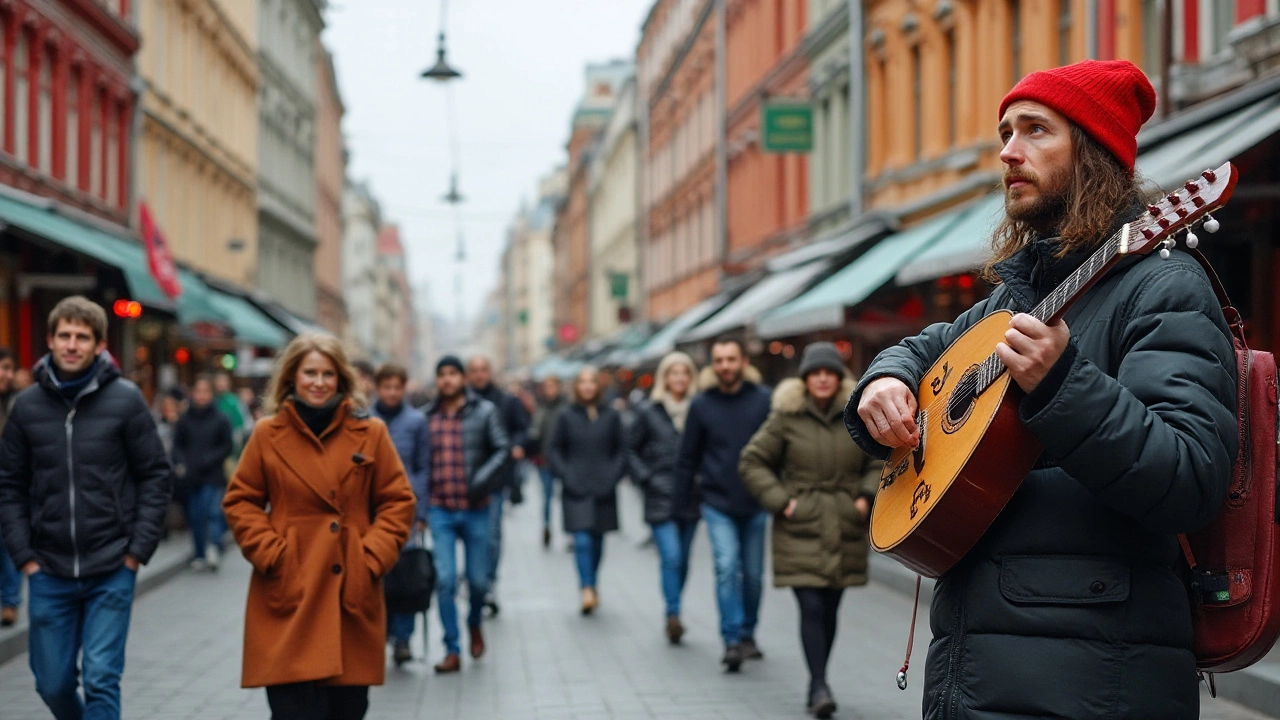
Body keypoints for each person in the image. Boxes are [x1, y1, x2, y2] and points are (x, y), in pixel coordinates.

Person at [846, 60, 1238, 719]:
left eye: (1035, 130)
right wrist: (884, 380)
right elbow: (926, 348)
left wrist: (1064, 384)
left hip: (1095, 680)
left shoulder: (1165, 288)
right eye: (1005, 131)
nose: (1008, 151)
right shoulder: (1019, 293)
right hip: (977, 673)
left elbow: (1190, 478)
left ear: (1093, 152)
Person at [222, 333, 415, 720]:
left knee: (348, 711)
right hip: (289, 591)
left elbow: (398, 502)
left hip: (349, 595)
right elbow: (241, 501)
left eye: (328, 373)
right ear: (292, 377)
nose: (318, 382)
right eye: (310, 372)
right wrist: (274, 555)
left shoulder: (371, 432)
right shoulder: (267, 434)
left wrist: (369, 557)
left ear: (341, 379)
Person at [0, 297, 172, 720]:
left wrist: (137, 552)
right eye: (65, 336)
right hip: (48, 570)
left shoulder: (126, 400)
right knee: (52, 683)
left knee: (100, 679)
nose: (72, 344)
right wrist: (25, 558)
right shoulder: (26, 407)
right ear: (50, 341)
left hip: (111, 566)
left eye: (82, 337)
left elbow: (155, 474)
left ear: (99, 344)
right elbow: (9, 485)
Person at [740, 343, 882, 718]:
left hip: (844, 521)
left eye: (829, 372)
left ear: (839, 378)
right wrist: (781, 501)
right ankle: (818, 683)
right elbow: (752, 461)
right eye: (815, 372)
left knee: (831, 606)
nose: (822, 378)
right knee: (811, 605)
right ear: (804, 379)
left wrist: (865, 498)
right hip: (800, 524)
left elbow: (879, 460)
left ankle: (820, 678)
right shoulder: (785, 417)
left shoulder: (856, 415)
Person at [672, 338, 771, 672]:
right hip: (717, 503)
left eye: (731, 358)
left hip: (756, 502)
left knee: (754, 576)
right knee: (727, 567)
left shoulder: (764, 400)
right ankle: (730, 639)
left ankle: (748, 633)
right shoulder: (701, 405)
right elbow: (687, 458)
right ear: (712, 365)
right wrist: (679, 504)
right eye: (719, 360)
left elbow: (778, 451)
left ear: (744, 361)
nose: (725, 365)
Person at [422, 355, 511, 674]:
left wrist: (481, 480)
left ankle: (474, 621)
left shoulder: (485, 412)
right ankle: (452, 648)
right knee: (445, 580)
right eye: (442, 374)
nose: (447, 380)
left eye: (452, 374)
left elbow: (503, 449)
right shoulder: (426, 417)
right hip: (441, 510)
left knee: (477, 581)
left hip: (476, 508)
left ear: (462, 378)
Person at [627, 352, 702, 643]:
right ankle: (673, 613)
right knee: (670, 556)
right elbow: (631, 449)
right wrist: (645, 478)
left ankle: (674, 605)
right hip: (659, 493)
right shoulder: (649, 411)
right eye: (674, 373)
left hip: (691, 495)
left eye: (684, 373)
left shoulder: (699, 408)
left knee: (682, 560)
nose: (679, 379)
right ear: (665, 378)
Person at [548, 366, 626, 615]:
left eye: (592, 382)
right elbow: (554, 450)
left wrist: (613, 475)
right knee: (581, 540)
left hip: (604, 487)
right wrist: (566, 474)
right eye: (583, 382)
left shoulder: (611, 415)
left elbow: (622, 450)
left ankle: (593, 581)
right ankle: (586, 587)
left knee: (597, 540)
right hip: (576, 488)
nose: (588, 386)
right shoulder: (566, 415)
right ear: (576, 386)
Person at [369, 363, 430, 666]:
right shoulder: (364, 419)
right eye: (386, 387)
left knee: (405, 575)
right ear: (378, 388)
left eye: (397, 387)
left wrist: (420, 510)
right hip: (371, 510)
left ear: (403, 388)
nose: (392, 393)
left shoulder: (416, 421)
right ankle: (379, 633)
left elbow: (421, 467)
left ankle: (403, 639)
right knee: (376, 573)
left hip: (405, 508)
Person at [466, 355, 529, 616]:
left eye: (483, 370)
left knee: (491, 535)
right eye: (474, 370)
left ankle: (488, 582)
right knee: (471, 535)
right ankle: (474, 578)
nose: (479, 375)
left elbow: (523, 429)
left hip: (494, 481)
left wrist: (517, 445)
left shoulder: (506, 401)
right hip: (462, 482)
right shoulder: (461, 402)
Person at [173, 376, 234, 572]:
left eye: (205, 391)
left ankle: (213, 546)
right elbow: (177, 445)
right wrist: (182, 463)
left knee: (212, 512)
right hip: (191, 477)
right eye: (198, 391)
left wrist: (210, 460)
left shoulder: (221, 418)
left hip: (213, 475)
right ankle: (200, 553)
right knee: (195, 515)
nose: (201, 396)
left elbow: (227, 445)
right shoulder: (185, 419)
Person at [528, 375, 567, 548]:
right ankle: (546, 526)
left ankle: (571, 530)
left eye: (553, 385)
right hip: (544, 460)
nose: (550, 389)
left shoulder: (565, 408)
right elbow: (534, 432)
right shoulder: (541, 407)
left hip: (565, 460)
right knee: (547, 496)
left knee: (567, 496)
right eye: (547, 386)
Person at [0, 347, 21, 627]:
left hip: (11, 487)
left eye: (8, 368)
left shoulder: (20, 404)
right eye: (2, 367)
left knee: (9, 544)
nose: (5, 374)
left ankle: (10, 602)